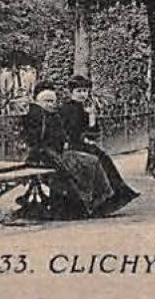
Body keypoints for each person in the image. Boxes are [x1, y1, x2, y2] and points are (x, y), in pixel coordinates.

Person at [18, 82, 119, 219]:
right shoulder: (37, 115)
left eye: (53, 101)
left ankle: (96, 201)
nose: (51, 104)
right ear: (38, 101)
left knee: (93, 160)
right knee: (82, 163)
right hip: (43, 156)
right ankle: (82, 204)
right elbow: (35, 141)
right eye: (47, 101)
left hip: (57, 152)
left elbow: (64, 135)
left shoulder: (52, 115)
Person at [58, 75, 138, 208]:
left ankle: (115, 194)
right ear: (71, 92)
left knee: (104, 158)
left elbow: (94, 132)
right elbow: (68, 130)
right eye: (79, 91)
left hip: (84, 144)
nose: (82, 94)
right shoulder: (65, 109)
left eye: (85, 91)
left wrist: (91, 117)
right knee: (97, 159)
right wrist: (82, 138)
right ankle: (102, 197)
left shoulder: (87, 108)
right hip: (72, 145)